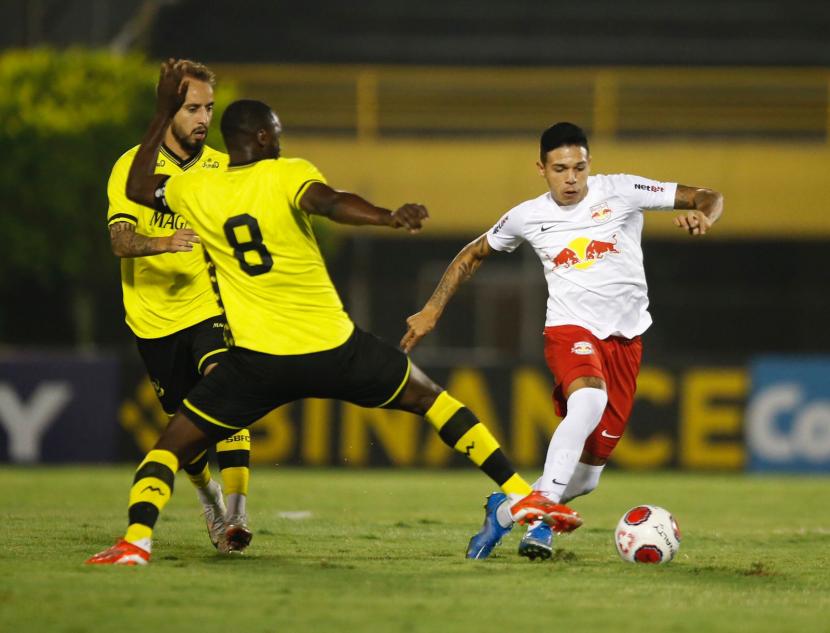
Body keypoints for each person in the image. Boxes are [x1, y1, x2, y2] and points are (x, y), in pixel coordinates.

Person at [86, 60, 577, 566]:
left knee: (169, 447)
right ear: (260, 137)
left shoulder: (198, 189)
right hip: (333, 347)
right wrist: (387, 217)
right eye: (275, 133)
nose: (279, 141)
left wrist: (161, 112)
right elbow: (332, 202)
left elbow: (139, 189)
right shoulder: (286, 172)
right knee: (433, 400)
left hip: (258, 361)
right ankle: (521, 493)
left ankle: (136, 542)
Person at [401, 121, 723, 561]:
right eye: (560, 169)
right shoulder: (527, 216)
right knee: (587, 403)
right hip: (570, 330)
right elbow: (472, 254)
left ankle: (507, 512)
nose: (571, 179)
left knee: (587, 479)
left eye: (579, 168)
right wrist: (432, 309)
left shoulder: (622, 190)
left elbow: (709, 196)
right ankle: (542, 516)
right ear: (541, 169)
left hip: (626, 341)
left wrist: (703, 215)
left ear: (590, 165)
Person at [106, 60, 253, 554]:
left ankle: (235, 515)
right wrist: (165, 242)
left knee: (228, 390)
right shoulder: (134, 166)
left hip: (210, 308)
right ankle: (207, 493)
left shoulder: (222, 167)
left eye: (209, 108)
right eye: (192, 108)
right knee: (184, 426)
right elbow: (121, 241)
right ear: (169, 109)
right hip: (152, 321)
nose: (203, 118)